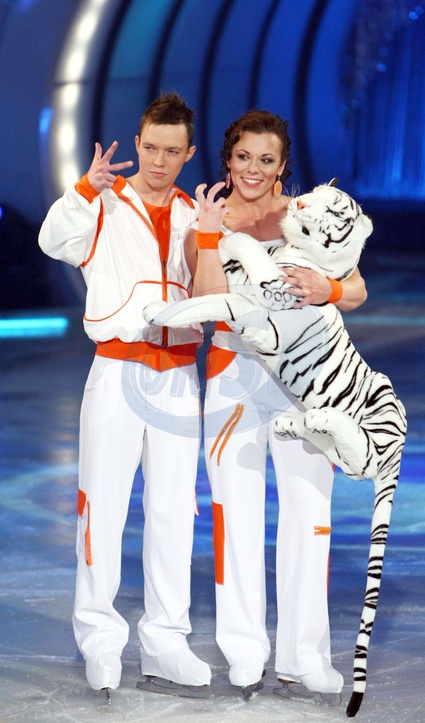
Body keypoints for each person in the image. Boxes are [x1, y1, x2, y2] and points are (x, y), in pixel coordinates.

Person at [185, 110, 367, 699]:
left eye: (267, 160)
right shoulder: (208, 220)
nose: (253, 169)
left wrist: (327, 288)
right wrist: (208, 234)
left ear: (283, 165)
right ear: (228, 159)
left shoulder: (307, 213)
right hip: (233, 375)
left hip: (306, 384)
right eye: (243, 157)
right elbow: (206, 300)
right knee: (235, 516)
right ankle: (244, 652)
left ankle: (303, 657)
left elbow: (356, 288)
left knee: (310, 512)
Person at [38, 92, 212, 696]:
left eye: (172, 151)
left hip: (177, 376)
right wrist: (84, 190)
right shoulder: (104, 203)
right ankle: (100, 641)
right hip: (115, 371)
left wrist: (211, 233)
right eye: (150, 148)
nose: (158, 161)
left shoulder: (192, 213)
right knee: (103, 507)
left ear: (188, 153)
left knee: (173, 510)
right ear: (136, 144)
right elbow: (51, 240)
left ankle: (166, 641)